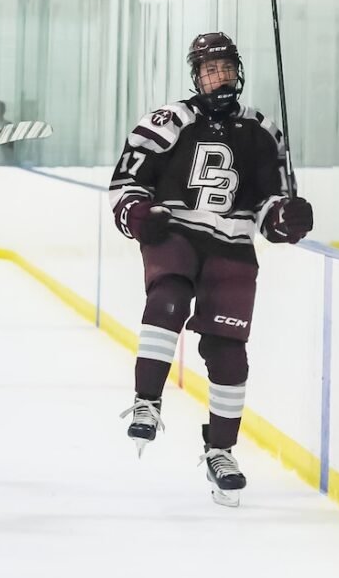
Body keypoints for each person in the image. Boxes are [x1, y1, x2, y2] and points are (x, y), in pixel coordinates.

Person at [111, 32, 313, 507]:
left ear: (237, 72)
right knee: (168, 298)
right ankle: (147, 400)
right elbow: (127, 182)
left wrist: (283, 219)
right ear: (196, 77)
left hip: (233, 245)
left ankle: (221, 451)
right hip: (176, 232)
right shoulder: (169, 121)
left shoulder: (263, 131)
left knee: (229, 355)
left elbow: (267, 205)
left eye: (225, 68)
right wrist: (136, 213)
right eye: (208, 70)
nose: (218, 76)